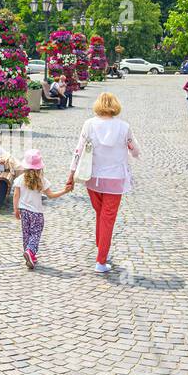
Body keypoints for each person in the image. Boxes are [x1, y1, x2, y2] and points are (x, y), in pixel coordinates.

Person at [67, 92, 140, 274]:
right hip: (115, 179)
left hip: (93, 178)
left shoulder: (89, 125)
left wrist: (71, 174)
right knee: (108, 218)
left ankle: (101, 246)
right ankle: (101, 260)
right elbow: (135, 150)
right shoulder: (124, 127)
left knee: (101, 214)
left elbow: (78, 150)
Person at [13, 149, 71, 269]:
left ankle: (30, 255)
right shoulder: (41, 180)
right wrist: (65, 191)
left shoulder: (21, 178)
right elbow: (51, 195)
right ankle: (30, 251)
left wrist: (16, 209)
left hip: (24, 211)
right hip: (37, 213)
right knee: (35, 234)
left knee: (26, 233)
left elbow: (16, 195)